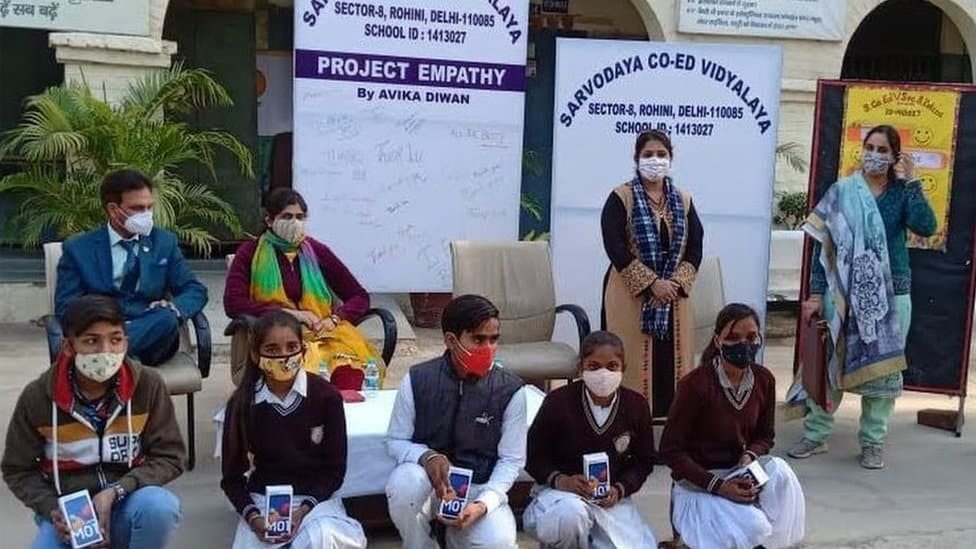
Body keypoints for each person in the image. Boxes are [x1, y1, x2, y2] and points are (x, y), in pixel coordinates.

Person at [787, 124, 937, 469]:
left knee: (882, 369)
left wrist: (913, 181)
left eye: (884, 150)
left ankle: (872, 441)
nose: (875, 155)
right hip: (841, 292)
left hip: (890, 295)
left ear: (895, 156)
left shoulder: (901, 194)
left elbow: (926, 226)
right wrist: (815, 293)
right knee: (829, 363)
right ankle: (816, 433)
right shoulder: (842, 192)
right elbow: (821, 247)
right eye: (871, 147)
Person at [2, 294, 185, 548]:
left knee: (160, 508)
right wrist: (51, 508)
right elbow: (17, 469)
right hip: (69, 517)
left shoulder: (148, 385)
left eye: (116, 340)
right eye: (91, 341)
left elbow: (170, 456)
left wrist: (116, 491)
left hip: (125, 503)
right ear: (68, 346)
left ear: (126, 342)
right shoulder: (38, 397)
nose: (106, 351)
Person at [385, 294, 526, 549]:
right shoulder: (418, 380)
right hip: (431, 488)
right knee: (404, 483)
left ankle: (455, 536)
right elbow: (395, 441)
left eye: (494, 339)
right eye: (478, 339)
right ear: (451, 340)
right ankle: (422, 543)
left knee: (500, 542)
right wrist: (427, 456)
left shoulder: (510, 389)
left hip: (479, 490)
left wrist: (484, 504)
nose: (488, 348)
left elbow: (512, 460)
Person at [660, 303, 805, 549]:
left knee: (780, 472)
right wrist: (720, 486)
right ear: (718, 341)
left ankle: (762, 535)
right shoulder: (695, 385)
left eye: (751, 337)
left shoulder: (764, 380)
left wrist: (750, 455)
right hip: (698, 484)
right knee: (754, 527)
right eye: (733, 338)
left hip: (738, 474)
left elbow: (765, 436)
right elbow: (671, 451)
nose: (744, 345)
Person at [221, 310, 366, 548]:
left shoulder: (326, 396)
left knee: (321, 540)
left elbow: (335, 471)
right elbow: (232, 479)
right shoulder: (242, 404)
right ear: (257, 355)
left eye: (291, 347)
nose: (284, 356)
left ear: (304, 350)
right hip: (264, 501)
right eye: (272, 350)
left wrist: (304, 510)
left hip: (317, 501)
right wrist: (254, 518)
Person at [225, 188, 380, 391]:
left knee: (353, 371)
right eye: (287, 216)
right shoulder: (250, 252)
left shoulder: (316, 251)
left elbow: (358, 296)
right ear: (269, 220)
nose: (294, 223)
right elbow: (233, 303)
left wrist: (334, 319)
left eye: (300, 217)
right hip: (277, 336)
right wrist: (289, 314)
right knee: (308, 377)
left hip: (324, 333)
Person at [54, 169, 208, 366]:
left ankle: (112, 355)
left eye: (149, 207)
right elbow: (66, 307)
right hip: (101, 330)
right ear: (113, 209)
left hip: (154, 335)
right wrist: (101, 324)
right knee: (120, 352)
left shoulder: (164, 243)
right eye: (137, 208)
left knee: (167, 319)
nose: (147, 215)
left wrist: (174, 307)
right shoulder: (78, 249)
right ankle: (126, 362)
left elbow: (194, 290)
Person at [601, 129, 705, 417]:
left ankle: (670, 435)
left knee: (672, 366)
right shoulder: (621, 197)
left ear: (671, 158)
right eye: (648, 155)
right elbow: (615, 247)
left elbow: (695, 248)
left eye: (661, 154)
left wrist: (672, 284)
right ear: (636, 159)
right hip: (629, 295)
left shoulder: (683, 200)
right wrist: (651, 285)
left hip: (674, 297)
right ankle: (631, 428)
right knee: (632, 362)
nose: (655, 160)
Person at [523, 331, 657, 548]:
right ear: (580, 367)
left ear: (623, 367)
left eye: (612, 366)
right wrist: (561, 480)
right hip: (559, 496)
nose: (603, 374)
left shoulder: (636, 406)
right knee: (570, 517)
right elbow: (533, 455)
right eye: (594, 366)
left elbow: (644, 460)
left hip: (610, 501)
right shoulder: (558, 402)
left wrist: (620, 489)